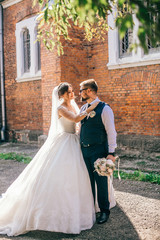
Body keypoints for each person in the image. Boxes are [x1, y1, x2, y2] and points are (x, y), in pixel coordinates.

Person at [0, 82, 99, 236]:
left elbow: (78, 123)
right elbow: (75, 119)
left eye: (72, 91)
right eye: (69, 92)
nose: (72, 94)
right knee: (58, 176)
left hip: (74, 140)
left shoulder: (73, 105)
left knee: (76, 177)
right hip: (64, 142)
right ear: (61, 95)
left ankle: (76, 211)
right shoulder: (61, 108)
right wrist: (93, 107)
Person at [79, 79, 117, 224]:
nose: (80, 93)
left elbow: (111, 131)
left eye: (81, 90)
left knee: (101, 182)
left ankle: (104, 211)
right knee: (88, 182)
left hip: (98, 150)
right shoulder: (83, 109)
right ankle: (91, 210)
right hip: (84, 150)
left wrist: (111, 153)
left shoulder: (105, 108)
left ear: (89, 91)